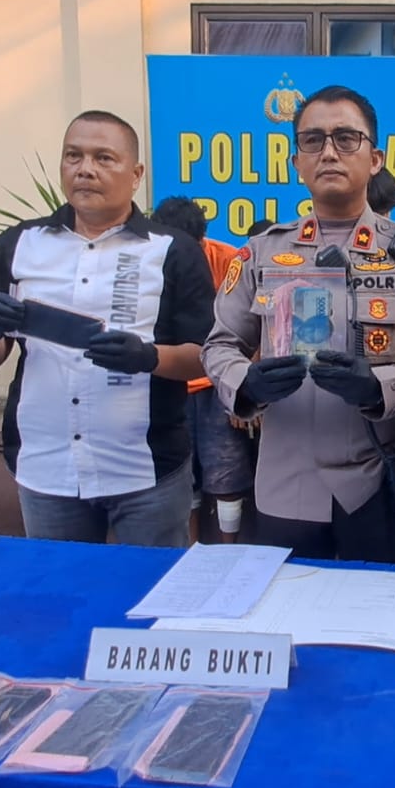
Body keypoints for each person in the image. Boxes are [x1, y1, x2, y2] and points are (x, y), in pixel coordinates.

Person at [202, 85, 395, 563]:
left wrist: (382, 387)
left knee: (377, 605)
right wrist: (246, 383)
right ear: (295, 161)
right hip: (285, 485)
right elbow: (218, 346)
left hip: (375, 481)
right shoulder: (261, 252)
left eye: (346, 138)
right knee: (287, 602)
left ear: (376, 158)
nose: (329, 152)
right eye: (312, 140)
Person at [0, 110, 215, 547]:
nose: (85, 169)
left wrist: (149, 357)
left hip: (145, 471)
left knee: (150, 587)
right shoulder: (19, 244)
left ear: (136, 174)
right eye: (73, 156)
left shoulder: (172, 251)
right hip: (47, 469)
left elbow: (207, 354)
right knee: (61, 587)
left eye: (104, 158)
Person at [151, 196, 254, 544]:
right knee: (182, 472)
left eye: (192, 247)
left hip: (218, 384)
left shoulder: (229, 260)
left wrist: (242, 394)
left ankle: (228, 552)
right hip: (168, 380)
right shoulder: (147, 263)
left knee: (227, 472)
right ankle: (191, 550)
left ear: (202, 238)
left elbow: (251, 328)